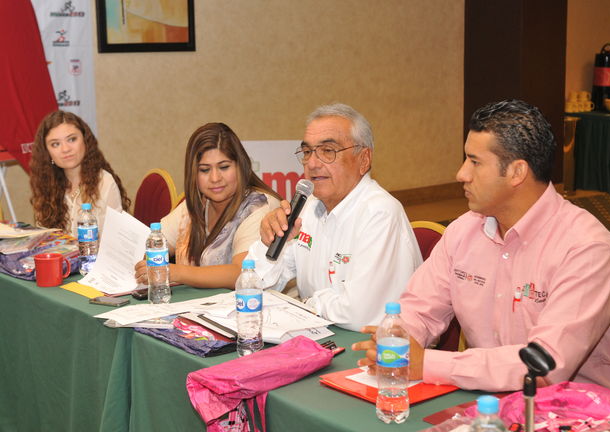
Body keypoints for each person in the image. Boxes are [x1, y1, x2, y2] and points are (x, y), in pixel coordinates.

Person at [353, 99, 610, 393]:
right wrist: (398, 338)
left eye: (474, 162)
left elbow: (544, 365)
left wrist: (427, 364)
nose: (461, 174)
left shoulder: (587, 249)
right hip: (485, 399)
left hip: (574, 409)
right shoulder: (464, 231)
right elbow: (420, 310)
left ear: (517, 172)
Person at [246, 103, 422, 331]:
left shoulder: (380, 212)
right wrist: (268, 243)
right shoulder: (308, 205)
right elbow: (254, 284)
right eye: (307, 152)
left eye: (328, 151)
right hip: (321, 335)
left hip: (373, 345)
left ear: (364, 159)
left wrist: (307, 305)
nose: (312, 163)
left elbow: (358, 315)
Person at [134, 122, 280, 289]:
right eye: (204, 170)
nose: (215, 178)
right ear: (193, 173)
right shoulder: (198, 203)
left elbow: (243, 273)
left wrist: (174, 272)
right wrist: (146, 263)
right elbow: (155, 241)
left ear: (241, 166)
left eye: (224, 167)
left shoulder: (259, 206)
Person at [29, 110, 130, 235]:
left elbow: (116, 238)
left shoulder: (104, 182)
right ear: (47, 152)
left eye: (72, 139)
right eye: (55, 144)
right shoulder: (45, 185)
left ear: (85, 141)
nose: (65, 149)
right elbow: (44, 237)